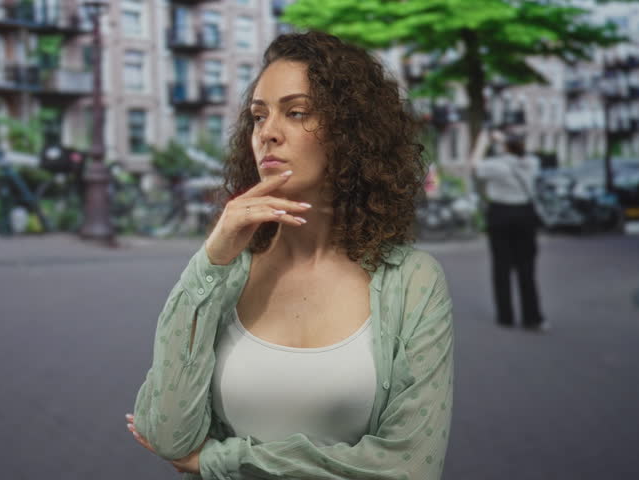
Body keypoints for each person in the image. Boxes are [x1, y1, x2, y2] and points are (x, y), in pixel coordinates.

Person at [126, 31, 454, 479]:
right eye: (258, 116)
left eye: (295, 113)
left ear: (351, 132)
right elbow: (167, 435)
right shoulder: (228, 272)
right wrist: (210, 262)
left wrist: (220, 461)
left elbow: (410, 466)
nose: (268, 134)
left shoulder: (412, 280)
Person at [470, 129, 547, 331]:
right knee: (527, 269)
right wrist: (508, 140)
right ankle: (532, 318)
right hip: (525, 215)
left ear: (503, 146)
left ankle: (506, 316)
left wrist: (483, 142)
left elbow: (474, 165)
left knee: (501, 267)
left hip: (500, 215)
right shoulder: (531, 163)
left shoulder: (496, 166)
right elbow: (521, 152)